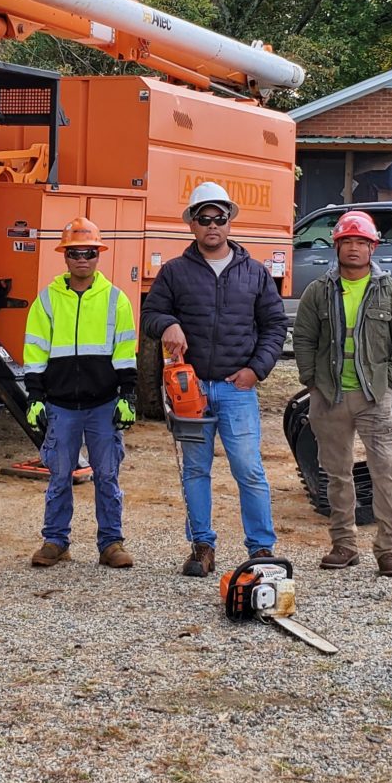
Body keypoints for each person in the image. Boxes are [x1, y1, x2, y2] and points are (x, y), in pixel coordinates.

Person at [140, 180, 288, 577]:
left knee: (249, 469)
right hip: (192, 390)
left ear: (229, 222)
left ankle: (260, 549)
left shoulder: (255, 274)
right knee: (195, 470)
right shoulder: (174, 273)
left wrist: (256, 370)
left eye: (219, 218)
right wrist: (168, 323)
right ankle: (202, 545)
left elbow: (275, 325)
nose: (211, 225)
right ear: (191, 224)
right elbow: (150, 316)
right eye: (203, 218)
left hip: (237, 389)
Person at [290, 209, 392, 578]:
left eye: (361, 242)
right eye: (347, 241)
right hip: (328, 396)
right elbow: (303, 337)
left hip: (373, 395)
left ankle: (389, 549)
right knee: (337, 474)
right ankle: (344, 545)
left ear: (372, 247)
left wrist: (391, 381)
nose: (353, 248)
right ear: (336, 246)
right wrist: (310, 379)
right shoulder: (318, 291)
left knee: (385, 470)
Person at [21, 219, 138, 570]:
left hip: (103, 404)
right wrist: (35, 397)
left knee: (107, 475)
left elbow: (125, 352)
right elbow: (35, 353)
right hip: (59, 405)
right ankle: (55, 541)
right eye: (75, 253)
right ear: (66, 257)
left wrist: (127, 396)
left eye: (88, 252)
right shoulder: (47, 300)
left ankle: (111, 544)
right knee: (59, 476)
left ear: (98, 255)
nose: (82, 259)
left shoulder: (116, 300)